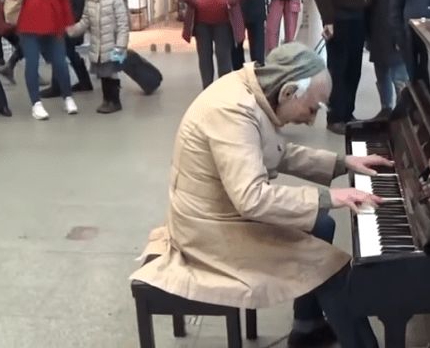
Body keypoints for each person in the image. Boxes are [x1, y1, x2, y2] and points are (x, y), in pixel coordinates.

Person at [130, 43, 387, 348]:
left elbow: (275, 152)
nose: (311, 119)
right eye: (312, 108)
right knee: (334, 267)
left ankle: (307, 326)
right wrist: (330, 197)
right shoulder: (233, 112)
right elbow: (251, 198)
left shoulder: (252, 91)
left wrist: (342, 163)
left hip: (223, 213)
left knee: (323, 227)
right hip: (209, 231)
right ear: (288, 92)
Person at [6, 0, 78, 120]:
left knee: (60, 61)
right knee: (32, 63)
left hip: (54, 18)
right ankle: (36, 103)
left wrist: (68, 21)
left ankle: (67, 97)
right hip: (30, 19)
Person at [312, 0, 371, 135]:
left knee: (354, 69)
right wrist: (328, 18)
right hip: (340, 19)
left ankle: (347, 114)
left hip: (358, 18)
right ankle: (335, 117)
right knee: (338, 70)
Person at [67, 0, 129, 113]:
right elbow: (85, 21)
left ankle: (115, 101)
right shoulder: (91, 1)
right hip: (98, 46)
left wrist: (121, 45)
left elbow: (123, 25)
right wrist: (73, 30)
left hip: (114, 45)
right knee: (103, 74)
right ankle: (106, 100)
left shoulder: (116, 0)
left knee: (112, 72)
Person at [179, 0, 248, 89]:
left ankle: (223, 95)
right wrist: (195, 0)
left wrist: (229, 0)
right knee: (204, 59)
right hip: (201, 23)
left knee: (224, 60)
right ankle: (207, 92)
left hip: (224, 22)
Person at [38, 0, 95, 98]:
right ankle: (83, 81)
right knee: (68, 49)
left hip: (67, 17)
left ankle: (58, 86)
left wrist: (72, 19)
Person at [367, 0, 408, 120]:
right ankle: (385, 110)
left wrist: (402, 35)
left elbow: (407, 4)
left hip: (395, 34)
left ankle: (402, 116)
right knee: (381, 74)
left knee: (400, 78)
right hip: (377, 32)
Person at [232, 0, 274, 69]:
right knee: (239, 45)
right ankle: (246, 74)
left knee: (251, 47)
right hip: (240, 4)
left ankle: (251, 74)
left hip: (249, 4)